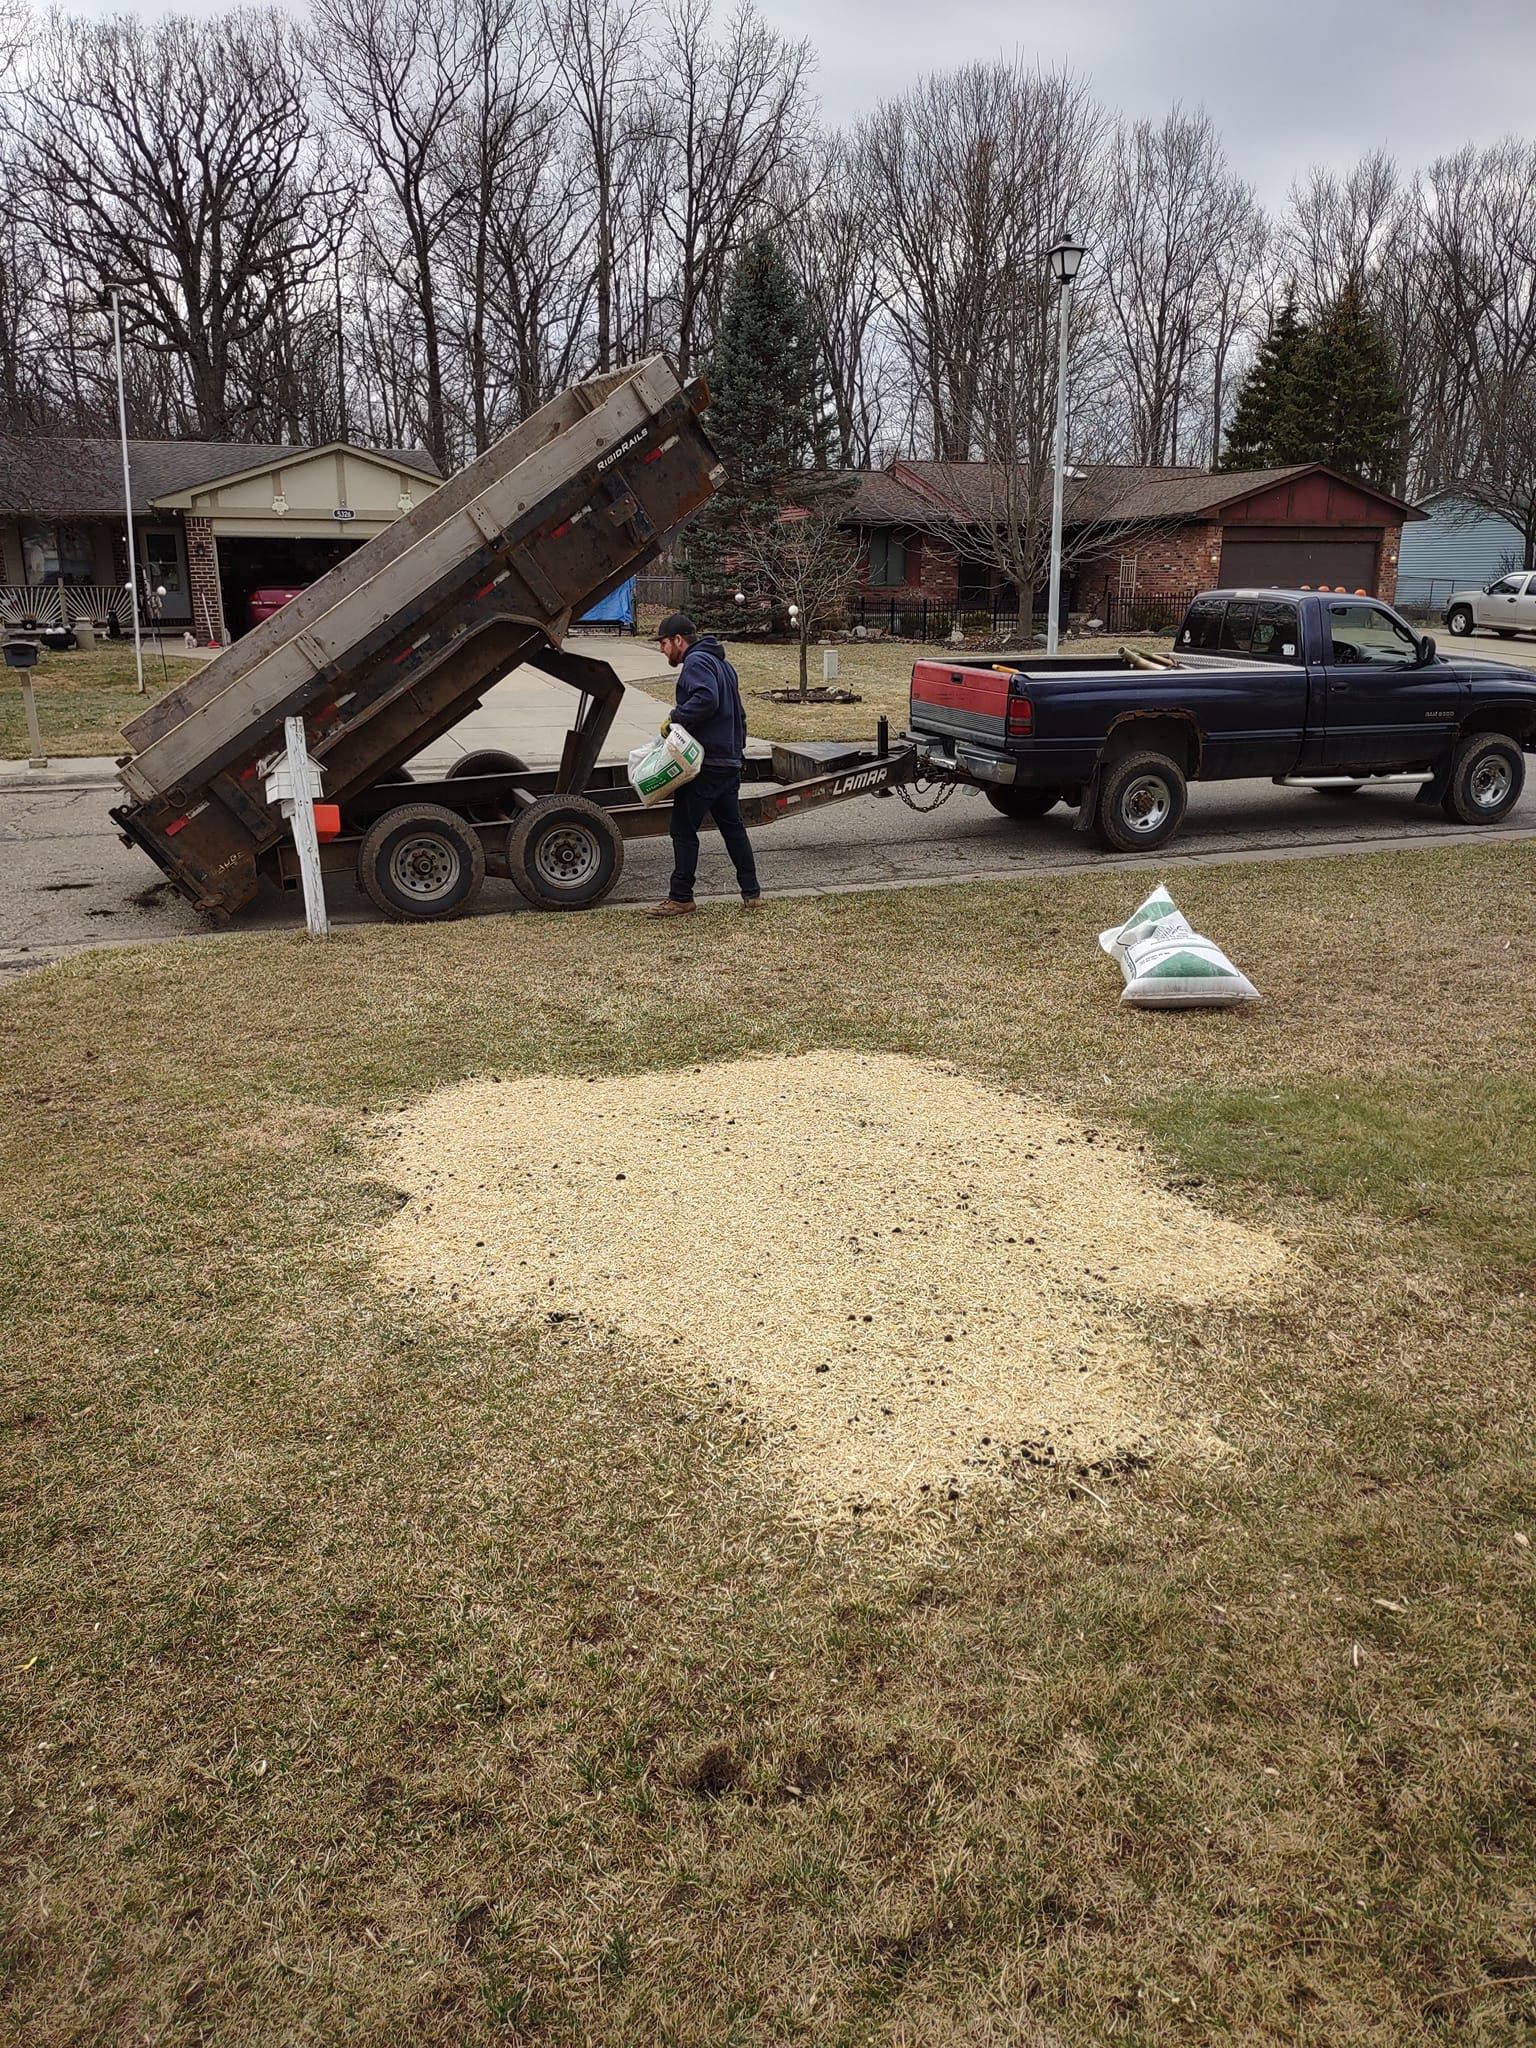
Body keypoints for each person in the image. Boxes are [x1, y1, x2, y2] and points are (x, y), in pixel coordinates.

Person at [646, 611, 762, 917]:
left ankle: (681, 897)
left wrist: (675, 718)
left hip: (706, 763)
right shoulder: (723, 664)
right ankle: (752, 893)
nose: (661, 650)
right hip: (728, 761)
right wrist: (738, 753)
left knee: (682, 828)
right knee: (733, 829)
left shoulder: (696, 662)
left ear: (679, 641)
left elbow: (706, 699)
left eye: (664, 643)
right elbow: (739, 714)